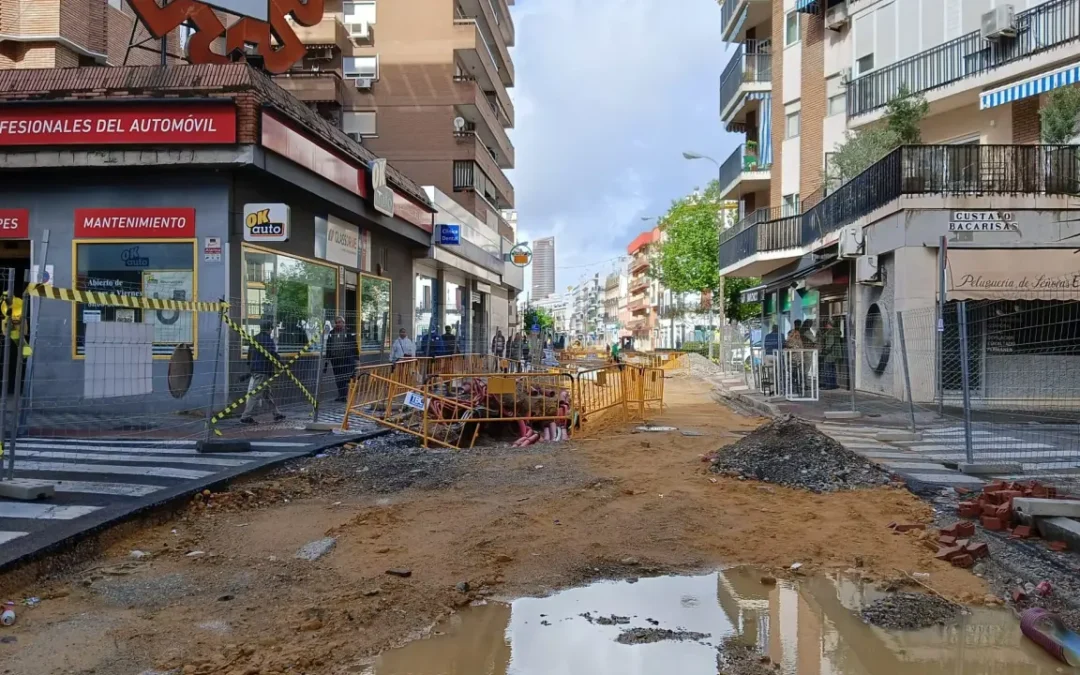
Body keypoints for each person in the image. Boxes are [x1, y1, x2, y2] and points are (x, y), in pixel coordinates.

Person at [241, 321, 287, 424]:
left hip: (256, 369)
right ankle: (245, 416)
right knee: (256, 394)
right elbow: (272, 354)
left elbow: (249, 354)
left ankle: (277, 413)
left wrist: (251, 366)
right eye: (271, 329)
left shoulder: (255, 338)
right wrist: (282, 364)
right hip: (263, 370)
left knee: (266, 393)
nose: (271, 331)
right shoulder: (267, 340)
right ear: (269, 329)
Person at [325, 316, 359, 402]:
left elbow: (354, 345)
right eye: (337, 322)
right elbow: (328, 345)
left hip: (347, 359)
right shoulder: (332, 333)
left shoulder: (349, 332)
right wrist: (327, 358)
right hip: (335, 359)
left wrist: (356, 358)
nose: (338, 324)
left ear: (344, 323)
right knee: (338, 378)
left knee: (347, 377)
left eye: (340, 322)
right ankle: (341, 395)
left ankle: (347, 396)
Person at [821, 319, 842, 390]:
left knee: (827, 369)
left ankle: (828, 385)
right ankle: (833, 384)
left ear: (829, 325)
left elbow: (830, 344)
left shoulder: (831, 333)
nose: (826, 326)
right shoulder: (836, 332)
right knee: (833, 369)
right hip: (836, 354)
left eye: (827, 324)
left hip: (830, 354)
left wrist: (825, 351)